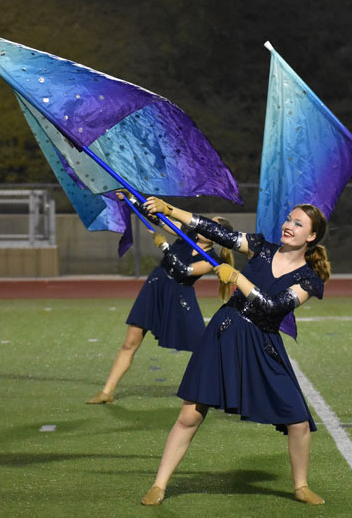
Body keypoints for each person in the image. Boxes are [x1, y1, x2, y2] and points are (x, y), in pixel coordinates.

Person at [139, 197, 330, 506]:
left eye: (297, 223)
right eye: (288, 219)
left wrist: (238, 278)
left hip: (263, 341)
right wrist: (170, 210)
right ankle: (159, 485)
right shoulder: (261, 247)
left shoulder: (309, 279)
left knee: (297, 420)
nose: (288, 225)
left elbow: (272, 306)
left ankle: (300, 486)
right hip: (225, 330)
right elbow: (216, 232)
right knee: (190, 414)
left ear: (311, 236)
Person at [85, 193, 235, 405]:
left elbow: (183, 270)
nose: (206, 226)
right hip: (156, 285)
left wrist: (163, 246)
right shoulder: (187, 233)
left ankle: (222, 389)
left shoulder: (212, 260)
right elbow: (158, 218)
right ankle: (107, 392)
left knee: (203, 346)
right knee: (130, 342)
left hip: (180, 294)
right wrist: (130, 199)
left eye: (212, 227)